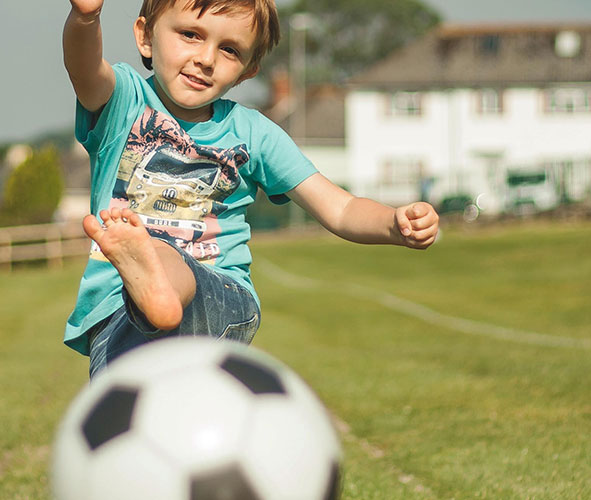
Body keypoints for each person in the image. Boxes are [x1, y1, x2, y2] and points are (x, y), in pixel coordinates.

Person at [63, 0, 440, 377]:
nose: (206, 58)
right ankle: (150, 282)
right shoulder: (124, 103)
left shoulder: (253, 133)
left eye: (230, 50)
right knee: (124, 425)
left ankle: (155, 276)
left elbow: (339, 208)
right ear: (145, 36)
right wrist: (86, 18)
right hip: (116, 314)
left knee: (162, 253)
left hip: (221, 301)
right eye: (190, 35)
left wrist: (394, 222)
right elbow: (85, 69)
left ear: (248, 71)